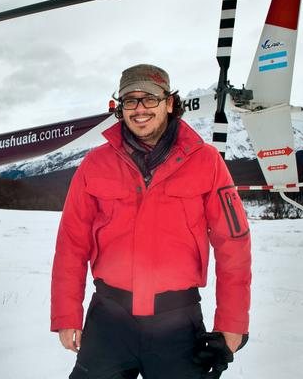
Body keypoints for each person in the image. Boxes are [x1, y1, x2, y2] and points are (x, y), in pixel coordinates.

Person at [50, 64, 251, 378]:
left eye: (150, 99)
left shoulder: (206, 162)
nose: (139, 108)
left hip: (177, 325)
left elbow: (233, 245)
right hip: (108, 322)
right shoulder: (95, 164)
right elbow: (72, 242)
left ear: (169, 103)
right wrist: (67, 313)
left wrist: (232, 323)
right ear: (120, 108)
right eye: (130, 100)